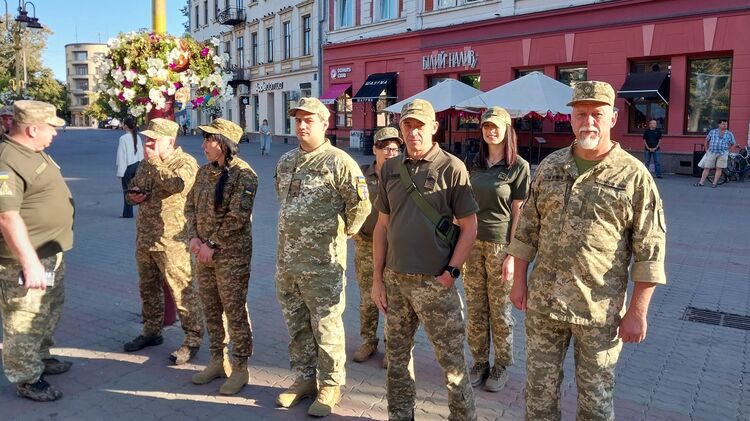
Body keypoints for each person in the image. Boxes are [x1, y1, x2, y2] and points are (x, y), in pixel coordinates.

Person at [507, 81, 667, 421]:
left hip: (599, 313)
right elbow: (527, 230)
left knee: (595, 403)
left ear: (613, 118)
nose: (588, 122)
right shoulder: (550, 166)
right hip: (544, 305)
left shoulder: (634, 176)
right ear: (571, 118)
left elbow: (650, 250)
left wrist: (637, 311)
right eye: (581, 114)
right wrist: (519, 281)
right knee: (538, 395)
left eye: (597, 114)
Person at [371, 99, 479, 421]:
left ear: (434, 127)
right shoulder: (390, 168)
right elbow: (382, 226)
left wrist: (451, 273)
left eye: (420, 125)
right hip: (396, 282)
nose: (414, 132)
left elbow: (470, 227)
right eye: (408, 125)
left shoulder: (451, 167)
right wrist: (377, 279)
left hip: (436, 284)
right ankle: (400, 415)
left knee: (453, 365)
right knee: (397, 360)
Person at [274, 97, 370, 417]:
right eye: (298, 120)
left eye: (309, 120)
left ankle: (330, 384)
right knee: (297, 324)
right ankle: (304, 378)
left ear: (325, 124)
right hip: (288, 262)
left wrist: (345, 234)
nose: (302, 125)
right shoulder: (286, 161)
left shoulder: (339, 162)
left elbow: (361, 204)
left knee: (326, 326)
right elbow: (283, 200)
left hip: (322, 265)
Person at [0, 100, 74, 401]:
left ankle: (40, 355)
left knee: (48, 309)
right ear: (32, 129)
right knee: (24, 318)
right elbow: (7, 216)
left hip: (49, 253)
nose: (55, 133)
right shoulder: (7, 160)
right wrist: (29, 262)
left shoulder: (32, 151)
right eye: (51, 127)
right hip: (24, 260)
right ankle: (27, 377)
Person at [123, 118, 204, 366]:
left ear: (170, 141)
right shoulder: (147, 164)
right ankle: (151, 330)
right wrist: (134, 197)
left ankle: (193, 337)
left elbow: (177, 185)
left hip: (173, 241)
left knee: (182, 290)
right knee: (148, 288)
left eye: (153, 140)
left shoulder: (185, 162)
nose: (147, 144)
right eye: (146, 139)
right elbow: (132, 190)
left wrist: (156, 162)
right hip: (146, 237)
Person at [186, 118, 258, 395]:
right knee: (211, 308)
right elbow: (190, 207)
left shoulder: (244, 174)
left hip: (231, 256)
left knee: (234, 310)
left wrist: (212, 244)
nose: (204, 145)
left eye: (210, 139)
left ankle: (240, 367)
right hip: (204, 253)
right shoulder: (204, 172)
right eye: (204, 139)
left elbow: (237, 217)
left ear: (225, 144)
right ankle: (217, 360)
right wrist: (194, 237)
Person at [463, 106, 529, 392]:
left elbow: (519, 213)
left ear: (506, 130)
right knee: (476, 308)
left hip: (500, 246)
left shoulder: (518, 167)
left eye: (496, 126)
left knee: (500, 310)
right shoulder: (474, 162)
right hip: (472, 245)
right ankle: (480, 361)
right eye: (486, 126)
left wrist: (512, 255)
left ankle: (502, 364)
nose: (491, 131)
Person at [351, 126, 401, 367]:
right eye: (385, 148)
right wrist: (351, 229)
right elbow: (347, 202)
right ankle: (368, 341)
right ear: (375, 150)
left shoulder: (404, 175)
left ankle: (393, 345)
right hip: (365, 245)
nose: (390, 152)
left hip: (394, 247)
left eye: (395, 148)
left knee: (393, 298)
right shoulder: (361, 174)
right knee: (367, 297)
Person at [695, 119, 740, 187]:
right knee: (707, 168)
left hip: (723, 154)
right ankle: (701, 183)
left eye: (726, 124)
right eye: (723, 124)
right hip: (711, 152)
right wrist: (706, 150)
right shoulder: (712, 132)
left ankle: (714, 183)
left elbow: (734, 144)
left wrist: (728, 151)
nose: (725, 125)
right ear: (719, 124)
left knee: (719, 168)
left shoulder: (729, 133)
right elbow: (706, 141)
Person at [116, 117, 144, 218]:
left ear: (126, 126)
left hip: (128, 168)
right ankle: (142, 211)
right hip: (137, 165)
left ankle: (127, 213)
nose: (122, 125)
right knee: (138, 190)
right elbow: (141, 153)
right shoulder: (137, 137)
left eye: (123, 124)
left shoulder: (123, 138)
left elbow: (121, 156)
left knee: (127, 190)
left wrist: (120, 172)